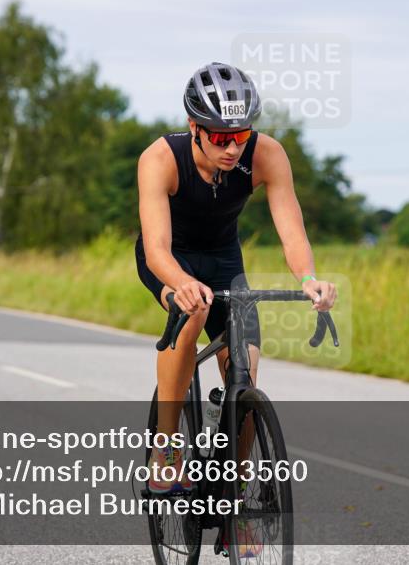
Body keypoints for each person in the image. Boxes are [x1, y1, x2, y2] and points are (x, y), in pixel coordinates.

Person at [135, 62, 337, 553]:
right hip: (170, 258)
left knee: (245, 372)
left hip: (225, 259)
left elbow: (292, 229)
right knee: (193, 311)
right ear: (194, 129)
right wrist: (181, 284)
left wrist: (309, 280)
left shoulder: (266, 154)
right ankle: (164, 452)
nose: (232, 147)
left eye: (241, 134)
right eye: (220, 137)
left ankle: (235, 497)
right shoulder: (160, 159)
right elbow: (157, 246)